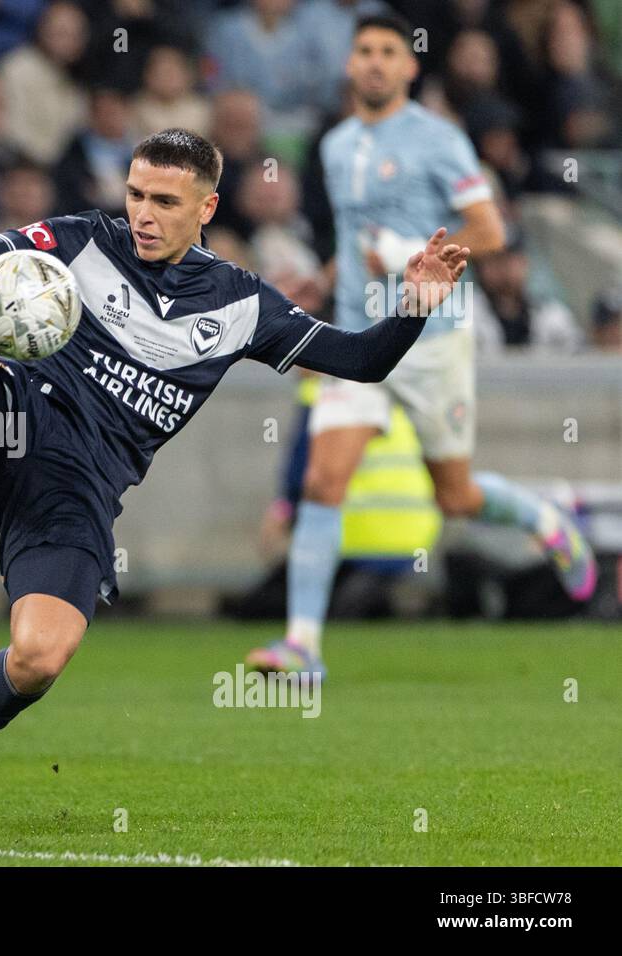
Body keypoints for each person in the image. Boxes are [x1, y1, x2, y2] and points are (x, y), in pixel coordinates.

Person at [0, 125, 470, 837]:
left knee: (38, 658)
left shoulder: (241, 306)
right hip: (18, 412)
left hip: (79, 488)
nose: (143, 214)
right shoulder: (87, 239)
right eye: (137, 194)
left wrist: (416, 301)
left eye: (165, 201)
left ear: (206, 209)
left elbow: (361, 359)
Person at [246, 14, 596, 680]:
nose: (374, 62)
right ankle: (303, 647)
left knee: (456, 498)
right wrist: (318, 282)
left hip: (432, 340)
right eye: (364, 52)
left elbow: (491, 229)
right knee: (324, 480)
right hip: (356, 339)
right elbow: (355, 245)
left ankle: (545, 520)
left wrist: (408, 255)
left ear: (409, 68)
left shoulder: (439, 140)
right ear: (350, 66)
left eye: (388, 53)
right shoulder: (335, 143)